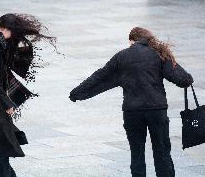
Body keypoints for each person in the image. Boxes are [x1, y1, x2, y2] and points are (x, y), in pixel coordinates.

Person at [69, 27, 194, 177]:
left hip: (132, 112)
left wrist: (76, 93)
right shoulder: (159, 54)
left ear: (132, 40)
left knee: (137, 153)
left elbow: (99, 76)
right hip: (156, 110)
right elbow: (183, 79)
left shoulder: (121, 56)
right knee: (162, 152)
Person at [0, 13, 55, 177]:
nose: (13, 37)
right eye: (13, 32)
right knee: (0, 141)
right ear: (6, 29)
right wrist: (7, 103)